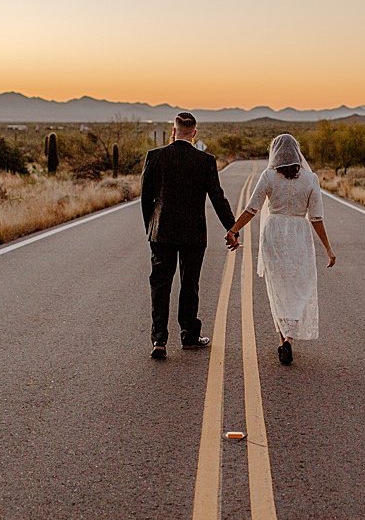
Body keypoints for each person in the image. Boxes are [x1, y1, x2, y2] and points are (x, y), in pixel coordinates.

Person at [228, 134, 335, 365]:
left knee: (278, 286)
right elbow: (316, 218)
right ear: (297, 154)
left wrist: (234, 230)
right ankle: (289, 335)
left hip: (274, 233)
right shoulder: (310, 179)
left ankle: (283, 338)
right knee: (298, 284)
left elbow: (252, 209)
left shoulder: (268, 176)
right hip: (299, 234)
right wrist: (328, 248)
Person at [141, 112, 239, 360]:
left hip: (161, 232)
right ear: (194, 133)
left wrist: (150, 227)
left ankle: (159, 340)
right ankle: (188, 335)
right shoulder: (205, 161)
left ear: (173, 131)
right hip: (193, 234)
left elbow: (146, 199)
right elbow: (218, 197)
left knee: (160, 286)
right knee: (189, 284)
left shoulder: (155, 157)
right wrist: (232, 228)